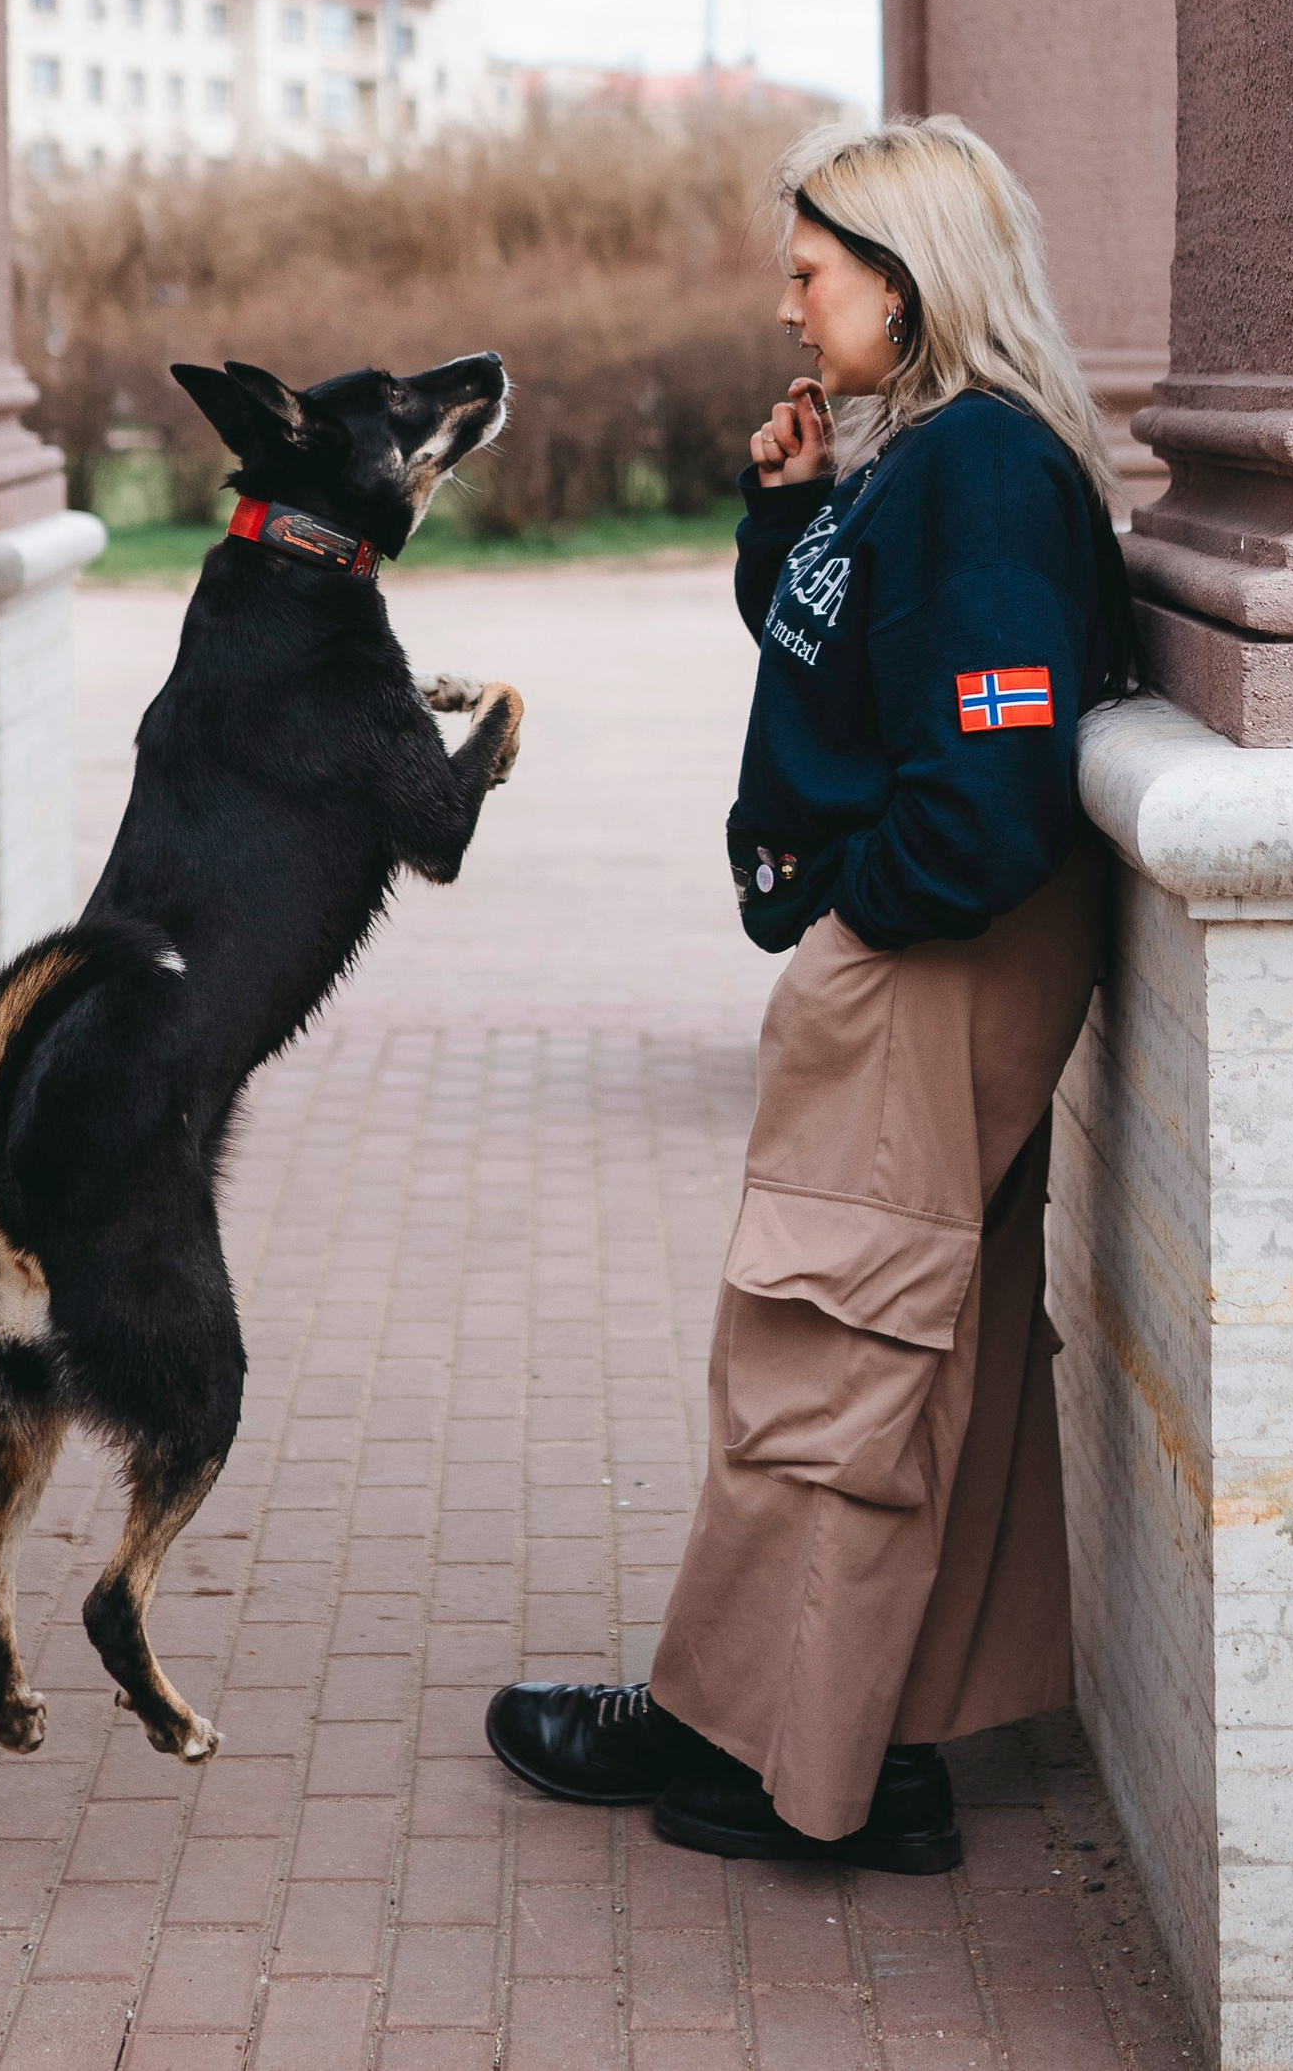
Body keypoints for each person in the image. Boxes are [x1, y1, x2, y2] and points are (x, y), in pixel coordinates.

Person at [484, 112, 1133, 1871]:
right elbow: (845, 664)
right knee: (909, 1345)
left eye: (812, 272)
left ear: (907, 282)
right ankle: (873, 1740)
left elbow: (986, 789)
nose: (789, 306)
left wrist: (853, 909)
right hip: (924, 962)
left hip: (928, 968)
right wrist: (790, 511)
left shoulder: (982, 470)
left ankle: (758, 1752)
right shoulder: (921, 459)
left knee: (830, 1353)